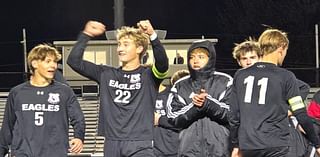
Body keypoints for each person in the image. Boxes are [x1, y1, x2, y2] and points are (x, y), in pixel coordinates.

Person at [67, 20, 168, 157]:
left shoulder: (149, 76)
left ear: (139, 49)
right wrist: (86, 35)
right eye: (119, 44)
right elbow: (73, 61)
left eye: (126, 45)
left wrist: (152, 35)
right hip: (112, 143)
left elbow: (163, 64)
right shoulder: (105, 74)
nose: (120, 49)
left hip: (140, 143)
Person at [229, 28, 320, 157]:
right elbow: (300, 113)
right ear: (281, 48)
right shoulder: (285, 76)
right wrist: (317, 144)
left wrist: (235, 145)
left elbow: (234, 116)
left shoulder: (240, 75)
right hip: (276, 145)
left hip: (248, 145)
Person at [0, 44, 85, 157]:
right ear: (35, 63)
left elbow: (78, 119)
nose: (53, 66)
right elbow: (7, 127)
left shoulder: (65, 91)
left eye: (55, 62)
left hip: (55, 153)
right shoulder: (17, 93)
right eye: (48, 61)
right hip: (23, 153)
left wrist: (78, 137)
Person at [166, 40, 233, 157]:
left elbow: (232, 114)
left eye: (201, 56)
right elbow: (172, 117)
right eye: (192, 57)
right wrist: (195, 107)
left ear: (210, 58)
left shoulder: (225, 81)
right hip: (188, 152)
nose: (195, 60)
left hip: (220, 151)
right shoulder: (180, 85)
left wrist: (208, 103)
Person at [153, 69, 189, 157]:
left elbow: (185, 122)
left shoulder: (173, 96)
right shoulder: (143, 97)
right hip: (152, 151)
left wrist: (160, 119)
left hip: (175, 150)